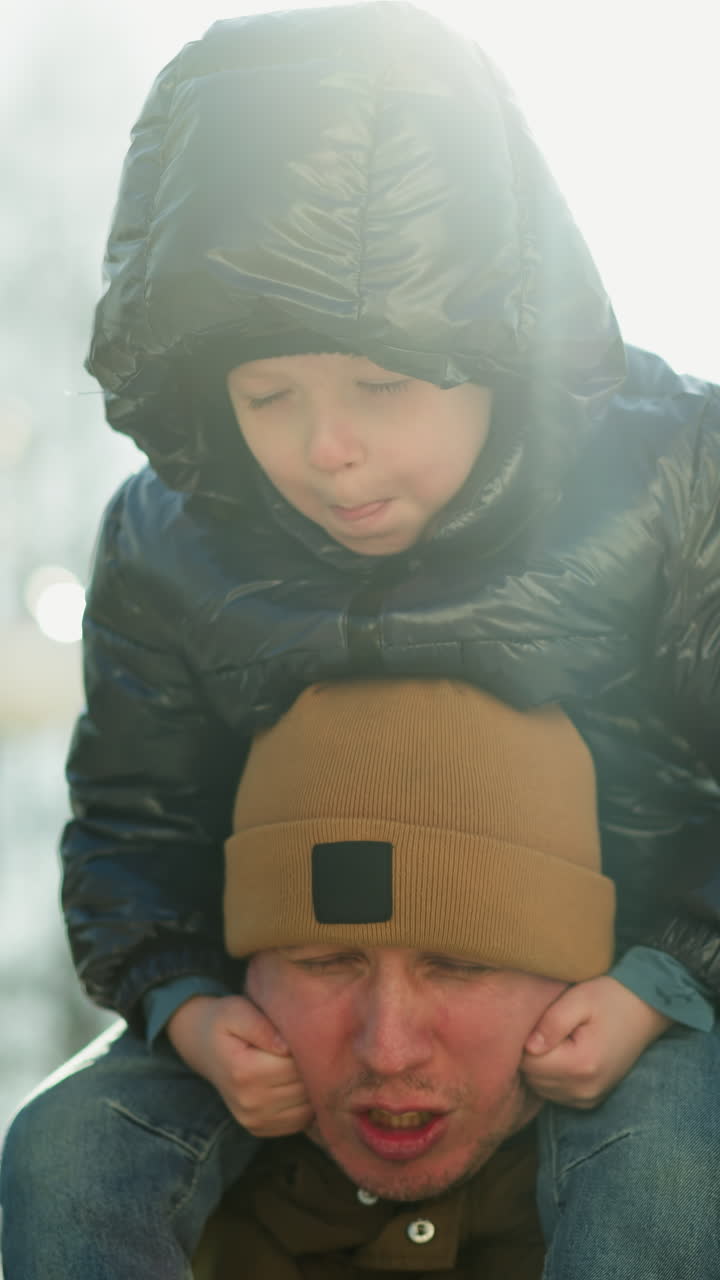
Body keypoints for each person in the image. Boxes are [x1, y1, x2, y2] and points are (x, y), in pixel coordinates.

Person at [1, 1, 719, 1275]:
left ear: (499, 343)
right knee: (65, 1152)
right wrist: (184, 1002)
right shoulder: (168, 536)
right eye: (268, 393)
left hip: (637, 984)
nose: (325, 448)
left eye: (381, 386)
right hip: (285, 1003)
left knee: (668, 1169)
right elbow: (130, 825)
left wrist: (662, 980)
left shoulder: (670, 478)